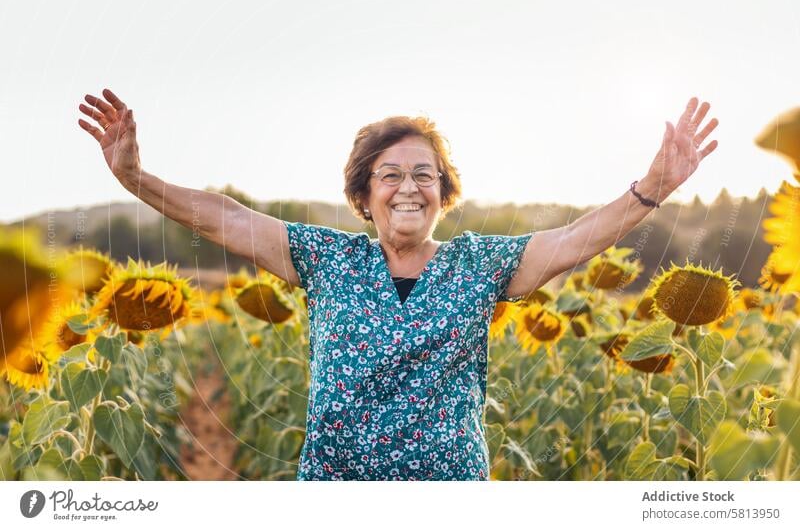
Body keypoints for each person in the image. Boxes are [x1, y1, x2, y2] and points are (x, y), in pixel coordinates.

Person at [78, 89, 719, 480]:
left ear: (444, 192)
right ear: (363, 194)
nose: (409, 187)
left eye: (425, 174)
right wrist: (137, 178)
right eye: (390, 174)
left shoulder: (478, 266)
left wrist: (651, 189)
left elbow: (571, 242)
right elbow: (223, 216)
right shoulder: (326, 258)